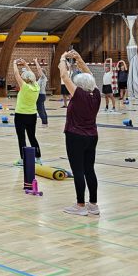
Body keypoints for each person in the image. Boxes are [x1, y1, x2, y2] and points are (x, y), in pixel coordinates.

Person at [59, 50, 101, 216]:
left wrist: (62, 58)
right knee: (89, 169)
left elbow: (64, 76)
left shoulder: (78, 94)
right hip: (92, 136)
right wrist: (79, 58)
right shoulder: (96, 93)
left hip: (75, 136)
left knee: (78, 170)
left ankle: (80, 205)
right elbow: (89, 74)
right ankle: (93, 205)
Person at [12, 59, 42, 161]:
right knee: (32, 137)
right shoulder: (36, 86)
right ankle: (38, 158)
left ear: (24, 78)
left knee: (22, 138)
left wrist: (14, 63)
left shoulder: (24, 87)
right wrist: (25, 64)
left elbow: (16, 74)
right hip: (32, 115)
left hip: (20, 115)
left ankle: (23, 159)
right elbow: (32, 75)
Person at [32, 58, 49, 128]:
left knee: (40, 110)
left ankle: (44, 123)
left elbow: (39, 69)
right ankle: (45, 123)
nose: (38, 72)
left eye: (39, 72)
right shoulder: (40, 79)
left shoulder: (43, 77)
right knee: (43, 109)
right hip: (41, 95)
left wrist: (36, 61)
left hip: (40, 95)